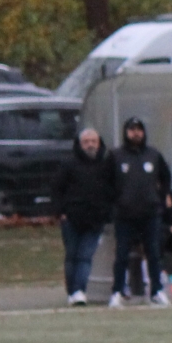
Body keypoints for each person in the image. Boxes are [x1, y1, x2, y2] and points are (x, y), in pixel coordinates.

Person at [108, 117, 172, 308]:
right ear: (126, 132)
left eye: (139, 130)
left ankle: (156, 291)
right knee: (122, 255)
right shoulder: (116, 156)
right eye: (132, 130)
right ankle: (118, 292)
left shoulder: (153, 155)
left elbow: (166, 178)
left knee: (153, 253)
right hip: (125, 215)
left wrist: (159, 198)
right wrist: (116, 202)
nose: (136, 133)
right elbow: (106, 182)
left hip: (150, 214)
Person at [51, 127, 114, 306]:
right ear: (79, 144)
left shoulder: (106, 165)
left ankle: (79, 291)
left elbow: (112, 190)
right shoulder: (69, 165)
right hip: (71, 219)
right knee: (72, 256)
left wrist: (107, 212)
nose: (90, 145)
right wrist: (60, 212)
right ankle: (71, 291)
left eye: (93, 141)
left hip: (95, 220)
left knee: (85, 256)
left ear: (99, 142)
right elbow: (56, 189)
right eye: (86, 142)